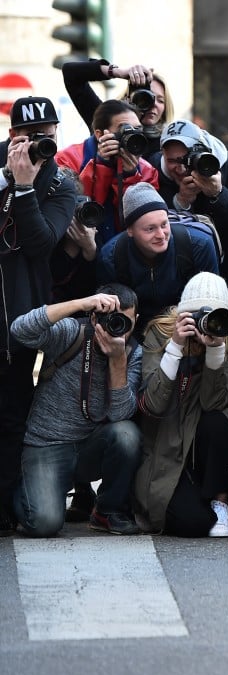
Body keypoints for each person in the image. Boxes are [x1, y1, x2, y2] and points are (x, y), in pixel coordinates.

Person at [0, 96, 77, 535]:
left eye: (47, 137)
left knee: (12, 414)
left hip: (18, 318)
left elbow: (41, 243)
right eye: (29, 138)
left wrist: (25, 187)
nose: (38, 147)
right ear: (13, 136)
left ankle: (6, 506)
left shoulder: (59, 183)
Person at [11, 284, 143, 537]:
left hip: (89, 447)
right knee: (44, 523)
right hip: (47, 444)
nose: (118, 330)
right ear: (94, 317)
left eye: (124, 323)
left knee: (127, 434)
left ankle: (107, 510)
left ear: (136, 321)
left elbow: (120, 415)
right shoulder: (73, 332)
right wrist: (81, 302)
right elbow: (20, 329)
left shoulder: (132, 352)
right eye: (110, 320)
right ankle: (25, 487)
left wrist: (117, 361)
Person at [134, 272, 228, 537]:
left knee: (219, 421)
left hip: (201, 444)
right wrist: (175, 347)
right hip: (165, 444)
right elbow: (154, 404)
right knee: (194, 523)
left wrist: (215, 351)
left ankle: (219, 499)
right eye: (197, 315)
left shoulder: (224, 338)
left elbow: (214, 403)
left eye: (212, 315)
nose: (204, 322)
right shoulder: (160, 333)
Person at [96, 182, 220, 336]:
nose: (161, 235)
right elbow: (111, 313)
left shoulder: (199, 245)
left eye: (164, 224)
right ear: (130, 230)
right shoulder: (111, 256)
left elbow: (212, 302)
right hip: (137, 330)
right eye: (150, 229)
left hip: (189, 326)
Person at [153, 119, 228, 308]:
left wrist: (218, 194)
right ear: (162, 156)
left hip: (227, 264)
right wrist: (181, 201)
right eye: (172, 161)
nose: (181, 169)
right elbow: (149, 224)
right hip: (174, 267)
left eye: (186, 159)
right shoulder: (155, 168)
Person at [74, 100, 160, 245]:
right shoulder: (71, 158)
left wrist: (130, 175)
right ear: (99, 134)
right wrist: (102, 166)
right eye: (124, 129)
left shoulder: (147, 170)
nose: (132, 135)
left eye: (137, 129)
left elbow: (141, 221)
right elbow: (84, 212)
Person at [61, 60, 173, 158]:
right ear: (129, 99)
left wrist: (134, 172)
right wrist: (119, 72)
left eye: (160, 100)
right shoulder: (106, 120)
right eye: (146, 98)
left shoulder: (170, 142)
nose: (153, 105)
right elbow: (71, 72)